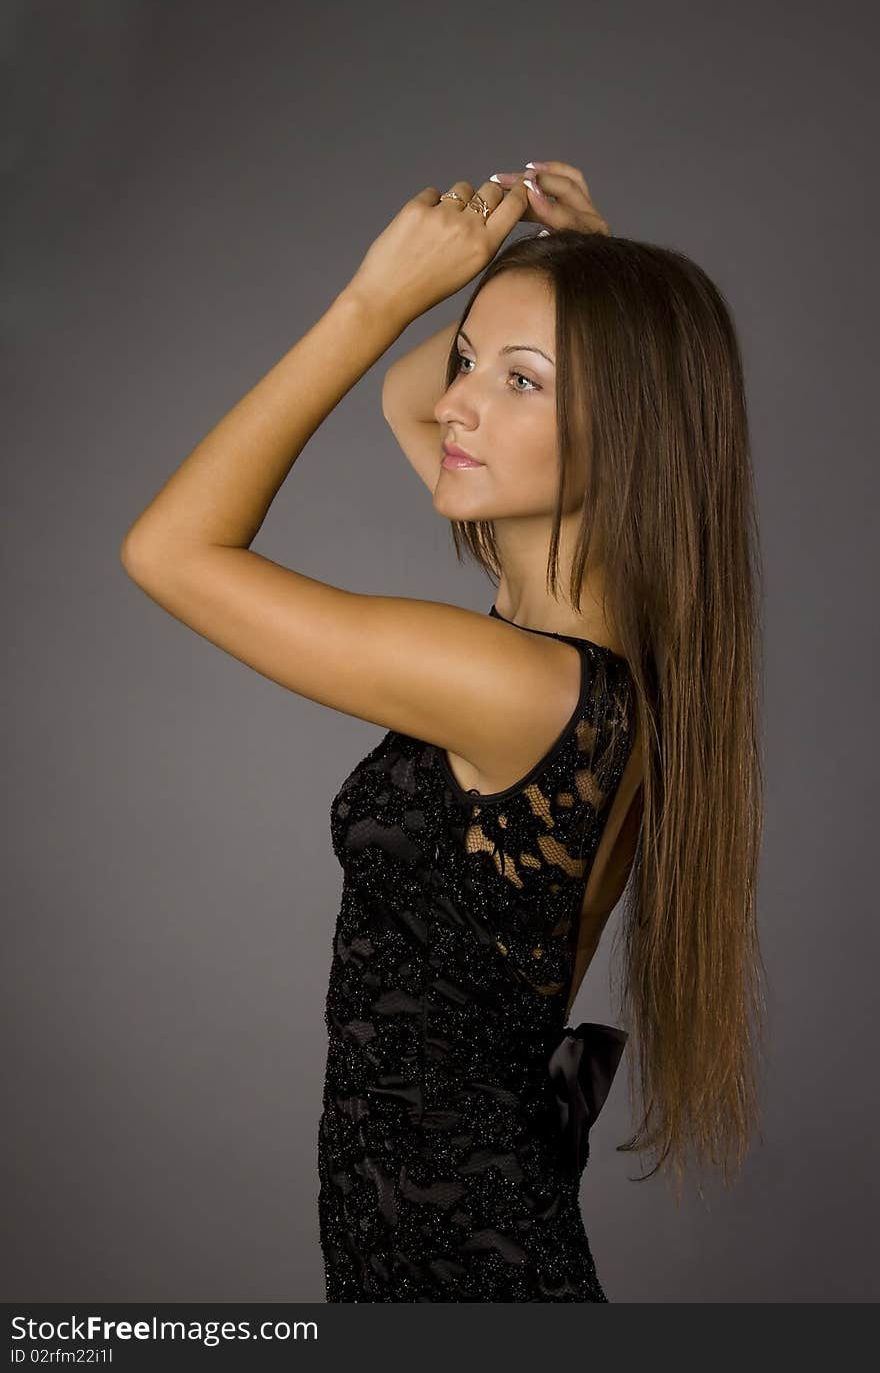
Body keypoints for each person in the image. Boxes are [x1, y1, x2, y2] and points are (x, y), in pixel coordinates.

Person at [120, 159, 766, 1302]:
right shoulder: (590, 656)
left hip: (457, 1270)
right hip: (444, 1253)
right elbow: (408, 402)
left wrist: (374, 301)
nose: (460, 400)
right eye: (471, 360)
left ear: (624, 428)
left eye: (521, 382)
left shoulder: (510, 685)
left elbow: (169, 551)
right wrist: (571, 275)